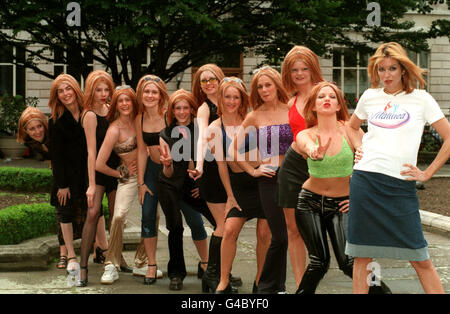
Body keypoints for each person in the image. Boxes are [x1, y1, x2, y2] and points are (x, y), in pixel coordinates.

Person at [345, 42, 449, 294]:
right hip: (365, 183)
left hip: (400, 187)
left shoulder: (421, 99)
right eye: (381, 69)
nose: (387, 75)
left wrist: (427, 173)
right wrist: (359, 147)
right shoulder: (370, 97)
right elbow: (350, 127)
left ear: (403, 69)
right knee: (361, 257)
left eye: (392, 68)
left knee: (420, 257)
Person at [294, 81, 391, 294]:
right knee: (319, 263)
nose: (326, 99)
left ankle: (384, 293)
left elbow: (369, 159)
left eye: (332, 96)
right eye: (321, 97)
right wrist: (314, 151)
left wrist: (362, 155)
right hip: (308, 202)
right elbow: (306, 146)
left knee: (348, 263)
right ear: (313, 106)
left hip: (343, 203)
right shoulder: (306, 134)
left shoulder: (350, 129)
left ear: (339, 105)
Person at [231, 65, 291, 293]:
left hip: (293, 180)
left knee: (290, 235)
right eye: (260, 86)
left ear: (277, 84)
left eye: (268, 84)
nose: (264, 89)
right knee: (279, 236)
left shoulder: (291, 109)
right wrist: (253, 170)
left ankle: (279, 287)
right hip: (269, 179)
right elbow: (234, 150)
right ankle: (266, 288)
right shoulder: (254, 115)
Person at [209, 77, 271, 293]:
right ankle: (223, 280)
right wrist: (230, 196)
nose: (232, 101)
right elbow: (222, 166)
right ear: (221, 98)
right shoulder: (214, 128)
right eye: (227, 96)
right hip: (239, 186)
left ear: (242, 99)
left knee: (264, 233)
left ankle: (260, 280)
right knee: (230, 230)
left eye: (236, 97)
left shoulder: (252, 119)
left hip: (262, 181)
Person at [189, 64, 242, 290]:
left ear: (221, 79)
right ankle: (214, 276)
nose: (209, 83)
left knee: (230, 227)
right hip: (212, 171)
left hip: (236, 172)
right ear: (199, 86)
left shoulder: (233, 102)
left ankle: (221, 274)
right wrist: (199, 165)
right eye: (204, 80)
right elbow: (201, 139)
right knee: (223, 225)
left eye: (212, 79)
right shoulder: (204, 109)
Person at [158, 89, 215, 291]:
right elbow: (168, 174)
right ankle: (176, 273)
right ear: (172, 110)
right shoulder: (165, 134)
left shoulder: (201, 130)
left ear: (192, 109)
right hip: (171, 186)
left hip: (194, 185)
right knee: (175, 227)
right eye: (177, 108)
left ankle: (214, 269)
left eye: (185, 107)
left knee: (220, 223)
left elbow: (208, 160)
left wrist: (203, 185)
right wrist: (167, 164)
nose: (182, 112)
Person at [277, 46, 324, 287]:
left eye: (305, 68)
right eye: (294, 69)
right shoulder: (288, 101)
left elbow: (345, 129)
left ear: (313, 69)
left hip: (324, 168)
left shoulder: (326, 94)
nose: (299, 73)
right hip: (293, 168)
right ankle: (300, 287)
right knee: (292, 230)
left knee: (322, 234)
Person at [77, 70, 122, 286]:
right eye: (98, 90)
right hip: (98, 171)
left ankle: (116, 259)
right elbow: (91, 152)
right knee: (93, 213)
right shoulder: (89, 115)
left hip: (115, 170)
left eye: (106, 89)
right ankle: (83, 267)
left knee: (116, 216)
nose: (103, 94)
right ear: (91, 91)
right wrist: (92, 185)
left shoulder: (111, 110)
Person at [95, 85, 140, 285]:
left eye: (127, 100)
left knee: (153, 215)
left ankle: (144, 261)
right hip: (128, 178)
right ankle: (111, 264)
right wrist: (121, 173)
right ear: (115, 104)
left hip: (148, 176)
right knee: (119, 215)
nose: (124, 104)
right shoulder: (114, 129)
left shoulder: (140, 120)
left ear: (133, 101)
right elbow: (98, 164)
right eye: (120, 100)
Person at [48, 74, 87, 276]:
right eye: (60, 91)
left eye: (68, 88)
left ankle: (96, 252)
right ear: (56, 96)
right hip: (66, 177)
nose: (65, 94)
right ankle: (71, 255)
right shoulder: (55, 121)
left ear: (75, 89)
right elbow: (57, 156)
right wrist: (62, 185)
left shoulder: (87, 113)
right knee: (65, 213)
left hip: (87, 174)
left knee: (92, 213)